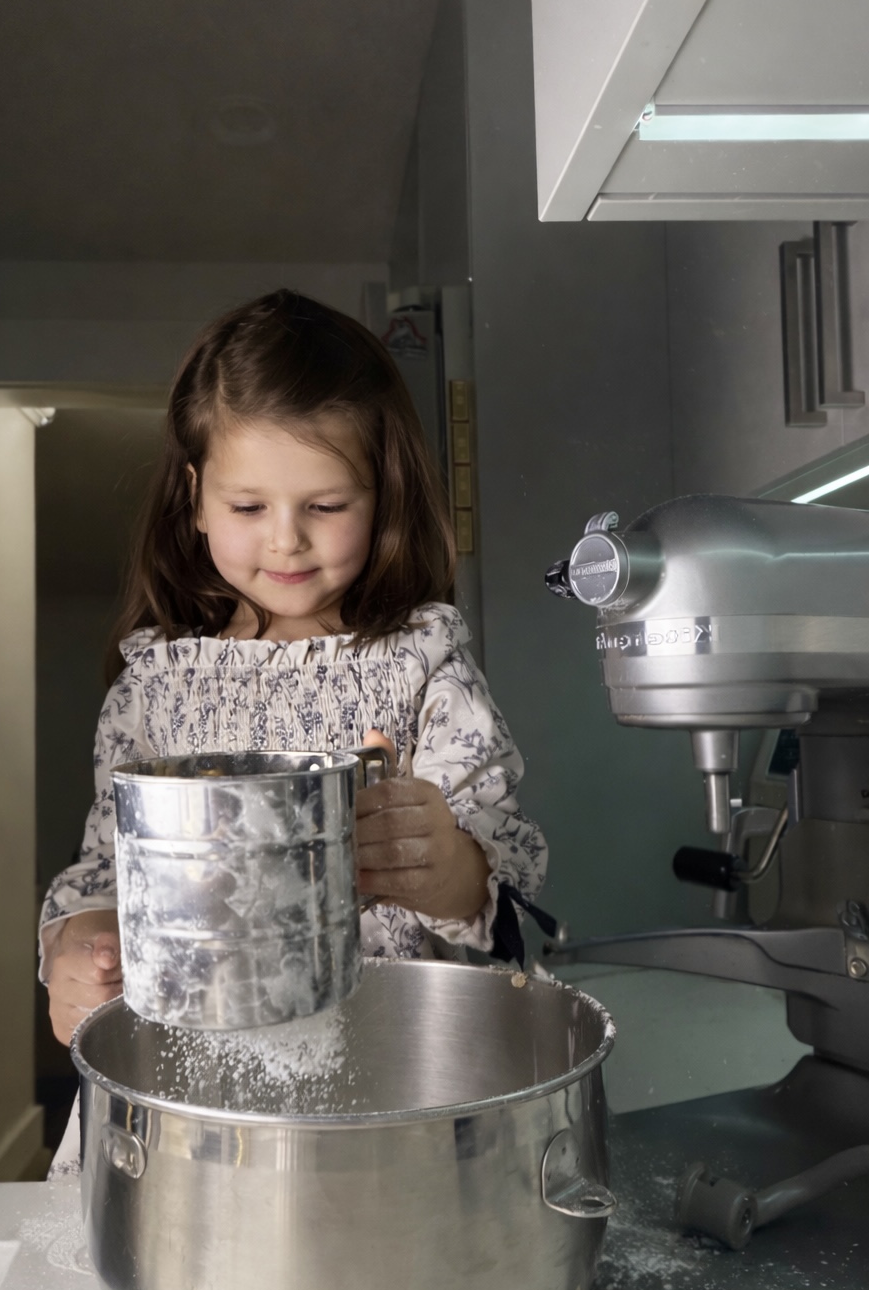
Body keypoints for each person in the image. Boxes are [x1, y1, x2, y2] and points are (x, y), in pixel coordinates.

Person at [40, 288, 547, 1064]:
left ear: (383, 497)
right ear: (195, 499)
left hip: (381, 1075)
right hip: (190, 1089)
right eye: (247, 506)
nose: (286, 542)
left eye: (326, 504)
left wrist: (439, 864)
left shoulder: (420, 667)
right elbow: (110, 874)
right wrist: (78, 950)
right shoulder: (153, 689)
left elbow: (499, 900)